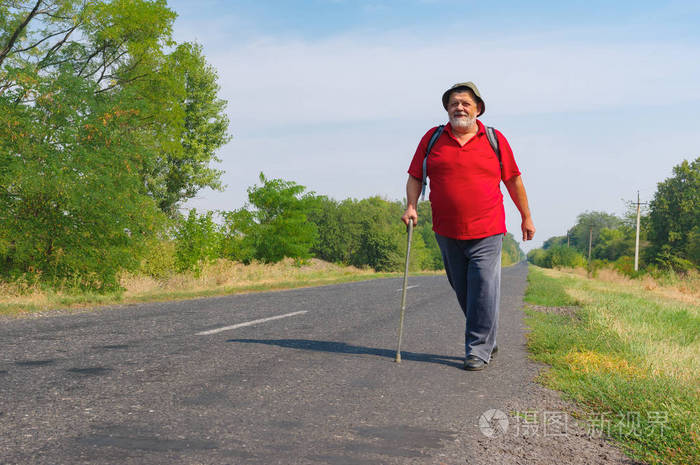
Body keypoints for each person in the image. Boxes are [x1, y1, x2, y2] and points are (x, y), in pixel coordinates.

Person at [401, 82, 535, 371]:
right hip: (446, 230)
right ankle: (487, 335)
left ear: (478, 108)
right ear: (447, 108)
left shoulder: (494, 139)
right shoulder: (433, 138)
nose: (459, 107)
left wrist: (526, 216)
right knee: (463, 290)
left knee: (484, 288)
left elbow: (513, 179)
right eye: (453, 103)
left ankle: (477, 349)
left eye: (465, 103)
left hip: (487, 229)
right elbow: (415, 176)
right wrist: (411, 206)